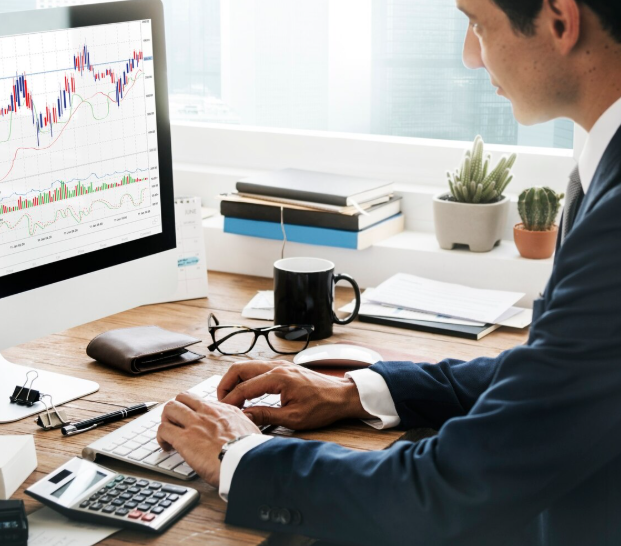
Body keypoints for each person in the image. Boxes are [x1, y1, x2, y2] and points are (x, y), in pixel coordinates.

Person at [156, 1, 621, 545]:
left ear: (561, 20)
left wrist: (241, 455)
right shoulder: (602, 166)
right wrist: (355, 393)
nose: (470, 56)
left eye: (477, 23)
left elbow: (447, 491)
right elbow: (552, 375)